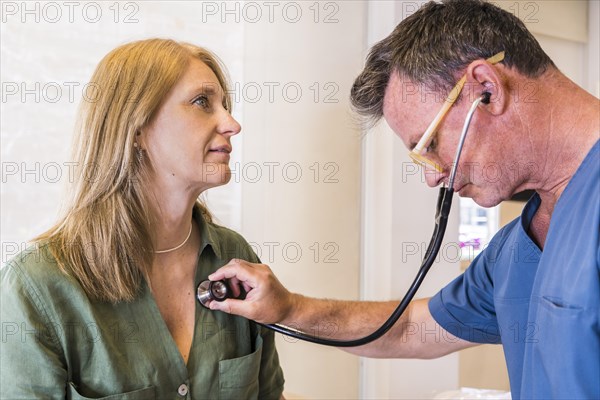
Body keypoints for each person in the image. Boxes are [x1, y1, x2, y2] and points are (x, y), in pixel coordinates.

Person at [206, 0, 600, 398]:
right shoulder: (515, 250)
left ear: (486, 89)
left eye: (428, 145)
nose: (432, 176)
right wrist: (289, 308)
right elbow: (411, 327)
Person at [0, 39, 284, 399]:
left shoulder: (235, 256)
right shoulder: (35, 288)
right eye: (202, 102)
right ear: (136, 130)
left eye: (225, 106)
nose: (231, 123)